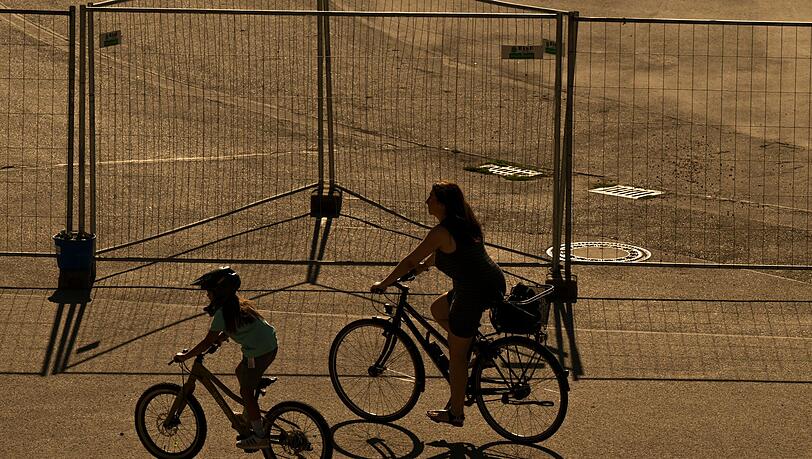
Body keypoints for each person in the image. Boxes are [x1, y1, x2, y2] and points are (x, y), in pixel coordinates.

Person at [371, 180, 506, 427]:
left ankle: (455, 413)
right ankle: (477, 350)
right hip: (490, 282)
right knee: (438, 309)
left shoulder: (441, 232)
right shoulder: (463, 222)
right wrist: (425, 267)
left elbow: (410, 260)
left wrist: (385, 282)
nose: (427, 201)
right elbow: (447, 253)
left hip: (473, 292)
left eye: (431, 197)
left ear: (442, 204)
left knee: (456, 358)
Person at [173, 266, 278, 450]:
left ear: (219, 293)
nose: (207, 296)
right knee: (240, 371)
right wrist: (222, 337)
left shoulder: (222, 313)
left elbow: (206, 341)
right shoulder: (237, 304)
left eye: (209, 292)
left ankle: (260, 435)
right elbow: (240, 326)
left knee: (246, 391)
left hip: (259, 352)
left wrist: (187, 356)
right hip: (266, 345)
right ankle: (249, 413)